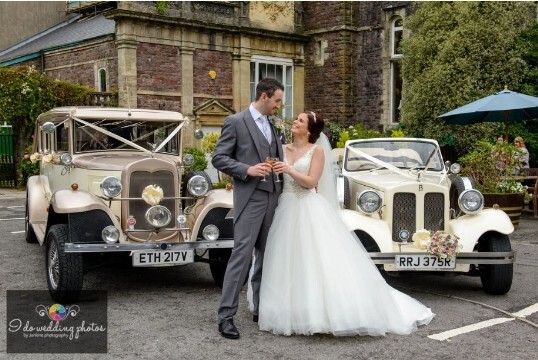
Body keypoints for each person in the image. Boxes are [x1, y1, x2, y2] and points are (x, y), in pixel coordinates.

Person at [259, 111, 435, 336]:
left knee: (315, 261)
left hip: (307, 206)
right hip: (285, 207)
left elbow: (311, 182)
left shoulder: (317, 150)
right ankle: (287, 310)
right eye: (296, 119)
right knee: (286, 260)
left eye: (300, 121)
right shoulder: (282, 149)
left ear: (310, 130)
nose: (295, 122)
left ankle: (320, 313)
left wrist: (290, 169)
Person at [212, 78, 285, 339]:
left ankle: (260, 308)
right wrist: (247, 169)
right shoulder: (236, 122)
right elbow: (218, 157)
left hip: (274, 197)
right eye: (277, 100)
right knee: (241, 258)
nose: (279, 106)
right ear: (264, 97)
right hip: (251, 198)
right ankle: (226, 317)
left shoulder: (273, 123)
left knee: (267, 256)